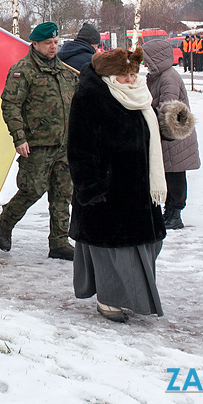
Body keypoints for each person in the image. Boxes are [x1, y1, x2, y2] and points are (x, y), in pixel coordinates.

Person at [67, 47, 170, 323]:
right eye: (124, 74)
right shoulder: (90, 98)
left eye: (134, 73)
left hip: (140, 189)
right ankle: (108, 300)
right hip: (108, 192)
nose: (130, 79)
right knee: (112, 252)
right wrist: (90, 188)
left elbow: (148, 133)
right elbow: (79, 148)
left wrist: (170, 124)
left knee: (148, 246)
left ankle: (128, 297)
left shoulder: (141, 97)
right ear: (108, 75)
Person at [0, 21, 77, 260]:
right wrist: (19, 137)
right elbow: (11, 106)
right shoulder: (23, 70)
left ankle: (59, 241)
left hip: (63, 144)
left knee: (63, 192)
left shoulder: (64, 71)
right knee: (32, 190)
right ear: (35, 44)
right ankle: (6, 220)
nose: (53, 47)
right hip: (37, 144)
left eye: (55, 42)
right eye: (48, 43)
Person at [142, 40, 200, 230]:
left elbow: (168, 107)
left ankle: (175, 213)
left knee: (175, 174)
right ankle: (169, 212)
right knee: (168, 173)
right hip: (167, 135)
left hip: (174, 136)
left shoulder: (168, 78)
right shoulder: (158, 76)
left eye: (148, 60)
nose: (145, 64)